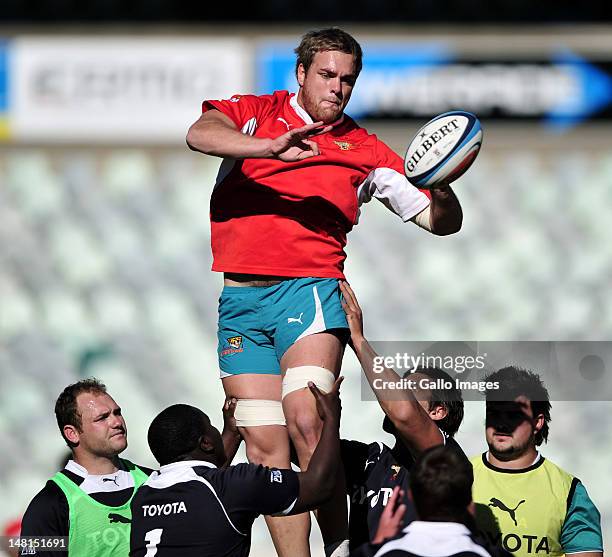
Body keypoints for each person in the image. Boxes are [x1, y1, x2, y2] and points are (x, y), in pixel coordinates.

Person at [186, 27, 463, 557]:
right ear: (301, 74)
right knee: (263, 443)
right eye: (327, 75)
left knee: (308, 419)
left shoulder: (364, 149)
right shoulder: (255, 113)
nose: (337, 88)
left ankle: (340, 546)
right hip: (240, 301)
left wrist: (443, 181)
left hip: (309, 291)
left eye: (348, 80)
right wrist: (268, 147)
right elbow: (200, 133)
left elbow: (438, 220)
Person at [129, 379, 343, 557]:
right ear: (206, 443)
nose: (216, 432)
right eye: (212, 428)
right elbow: (320, 485)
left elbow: (207, 492)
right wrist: (331, 418)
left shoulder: (143, 497)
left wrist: (230, 433)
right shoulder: (236, 484)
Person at [339, 281, 468, 550]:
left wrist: (358, 340)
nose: (398, 393)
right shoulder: (370, 459)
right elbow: (297, 446)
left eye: (410, 390)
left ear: (437, 411)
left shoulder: (445, 459)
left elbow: (405, 414)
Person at [471, 366, 603, 557]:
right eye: (494, 413)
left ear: (538, 422)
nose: (501, 424)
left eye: (513, 415)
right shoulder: (457, 475)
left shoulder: (569, 491)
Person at [19, 379, 152, 557]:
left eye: (117, 413)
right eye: (102, 418)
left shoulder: (154, 481)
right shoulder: (48, 507)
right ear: (72, 433)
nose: (116, 422)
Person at [351, 446, 499, 557]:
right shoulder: (492, 554)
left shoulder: (375, 553)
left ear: (410, 496)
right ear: (470, 504)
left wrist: (378, 545)